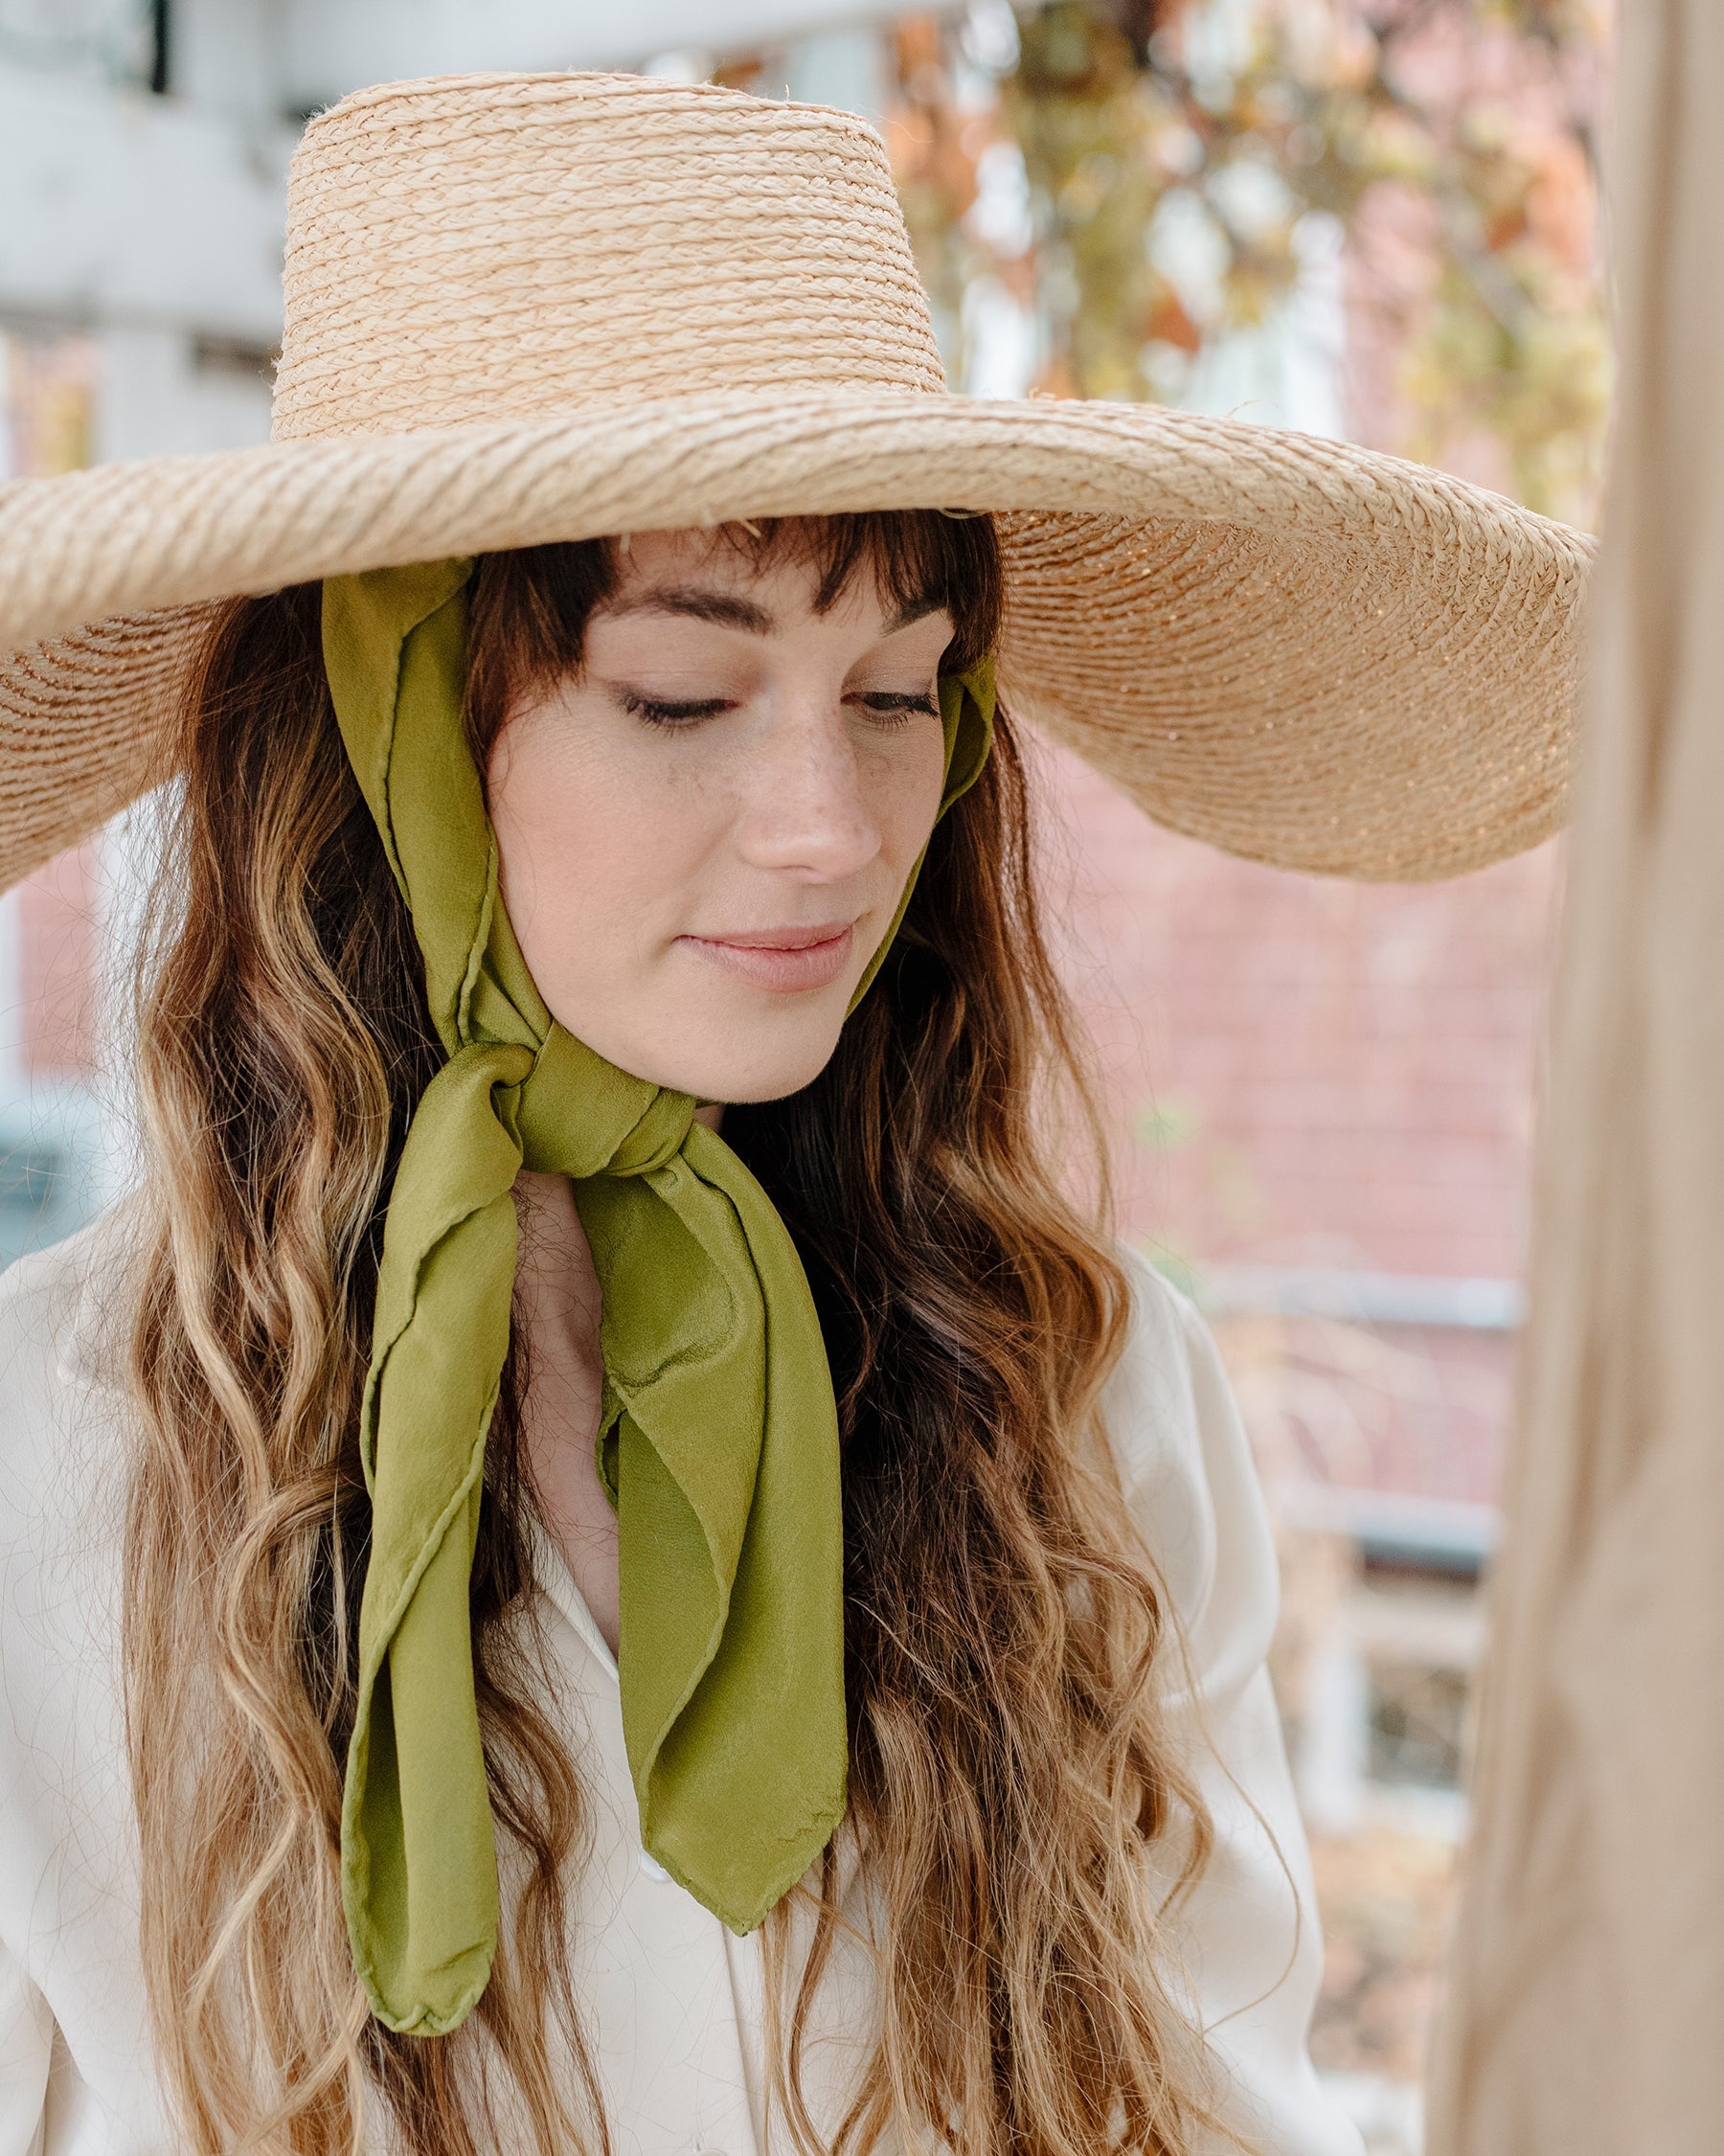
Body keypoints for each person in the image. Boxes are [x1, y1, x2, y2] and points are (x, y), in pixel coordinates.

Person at [0, 71, 1587, 2156]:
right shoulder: (48, 1457)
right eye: (680, 694)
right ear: (385, 728)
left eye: (897, 689)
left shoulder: (1086, 1405)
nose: (832, 827)